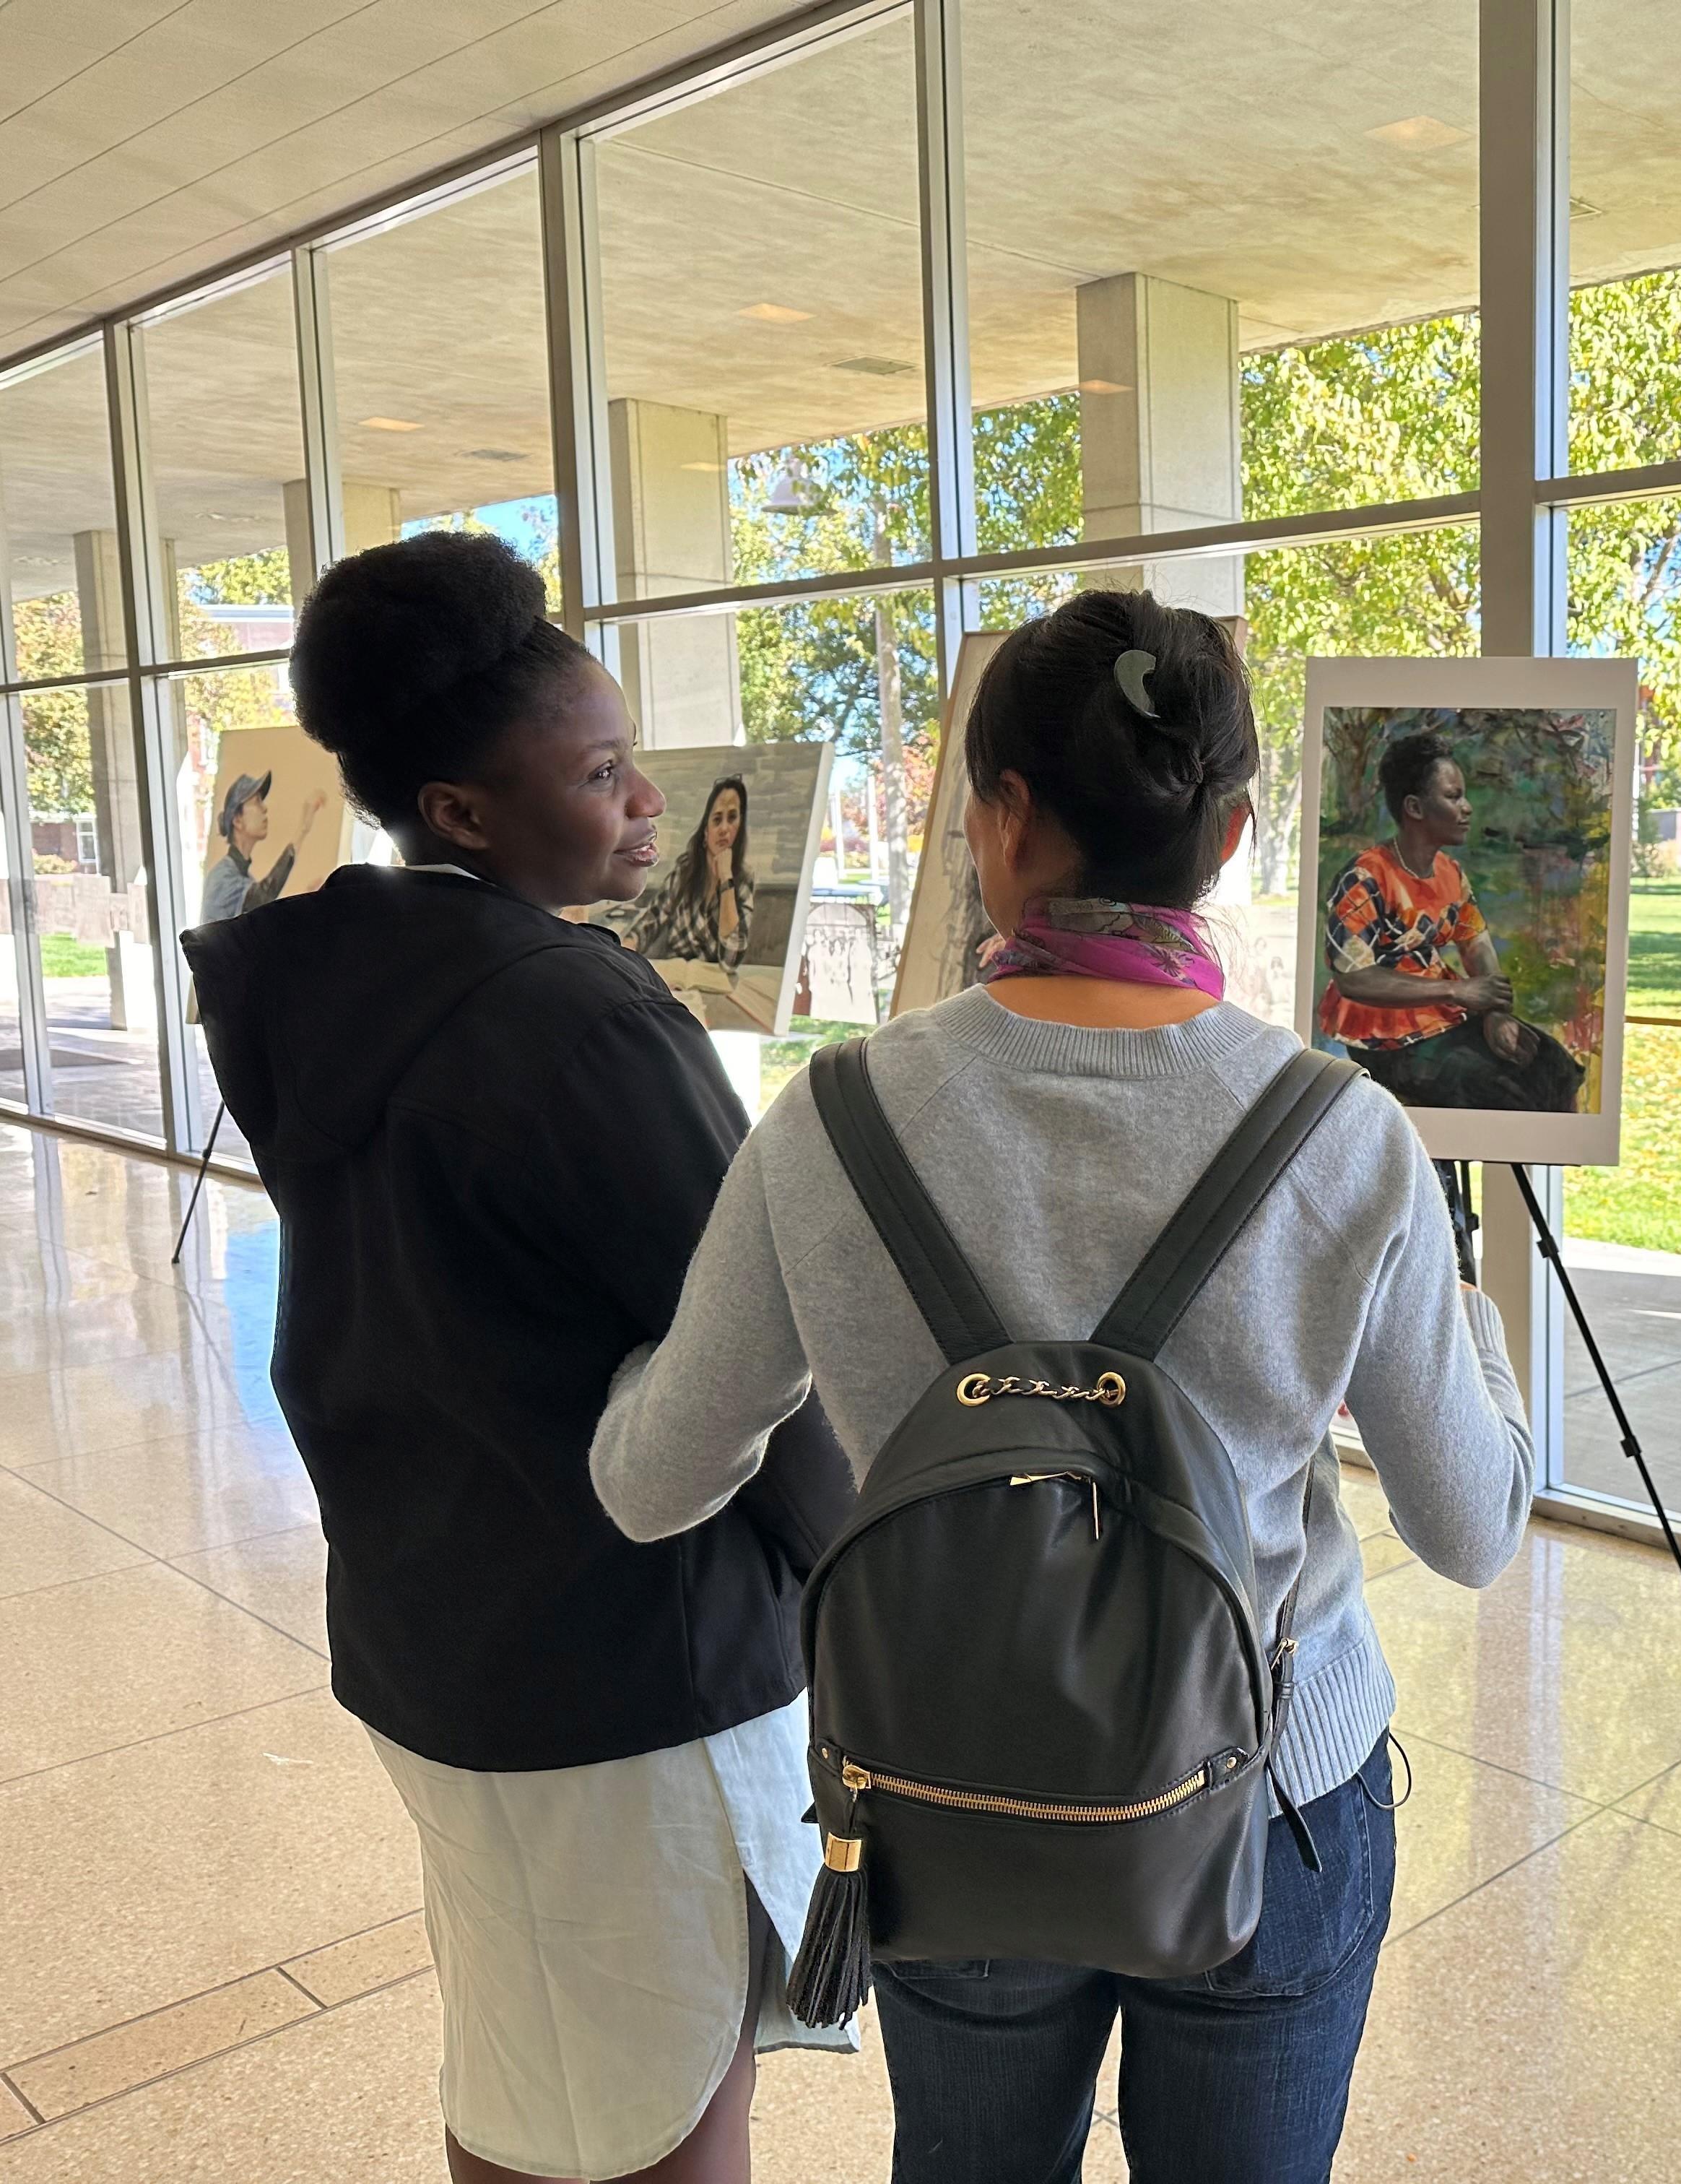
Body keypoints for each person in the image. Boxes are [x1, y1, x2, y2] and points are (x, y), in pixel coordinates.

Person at [589, 588, 1536, 2184]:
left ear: (1001, 818)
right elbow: (1473, 1525)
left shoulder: (829, 1123)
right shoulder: (1342, 1133)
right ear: (1231, 836)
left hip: (951, 1785)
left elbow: (650, 1483)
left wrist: (616, 1355)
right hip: (1274, 1791)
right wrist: (1467, 1304)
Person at [181, 529, 855, 2184]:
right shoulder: (583, 1019)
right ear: (467, 811)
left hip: (435, 1634)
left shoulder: (316, 980)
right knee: (670, 2095)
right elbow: (745, 1351)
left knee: (525, 2069)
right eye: (605, 774)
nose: (646, 803)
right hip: (631, 1667)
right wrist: (875, 1579)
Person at [1318, 729, 1581, 1111]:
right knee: (1501, 1088)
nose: (1467, 807)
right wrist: (1458, 992)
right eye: (1454, 796)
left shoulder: (1450, 874)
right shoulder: (1365, 877)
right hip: (1383, 1037)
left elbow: (1477, 945)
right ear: (1415, 808)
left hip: (1443, 1017)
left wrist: (1495, 1013)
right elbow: (1354, 978)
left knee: (1553, 1064)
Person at [626, 776, 753, 967]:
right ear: (706, 831)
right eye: (717, 820)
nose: (724, 829)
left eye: (732, 818)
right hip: (675, 981)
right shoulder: (685, 871)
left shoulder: (744, 879)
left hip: (715, 984)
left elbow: (731, 959)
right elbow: (654, 918)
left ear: (740, 826)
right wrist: (626, 948)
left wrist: (727, 878)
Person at [197, 767, 330, 923]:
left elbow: (268, 923)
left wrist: (308, 898)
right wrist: (303, 829)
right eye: (256, 802)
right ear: (237, 821)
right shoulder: (221, 878)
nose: (265, 808)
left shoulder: (243, 878)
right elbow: (264, 895)